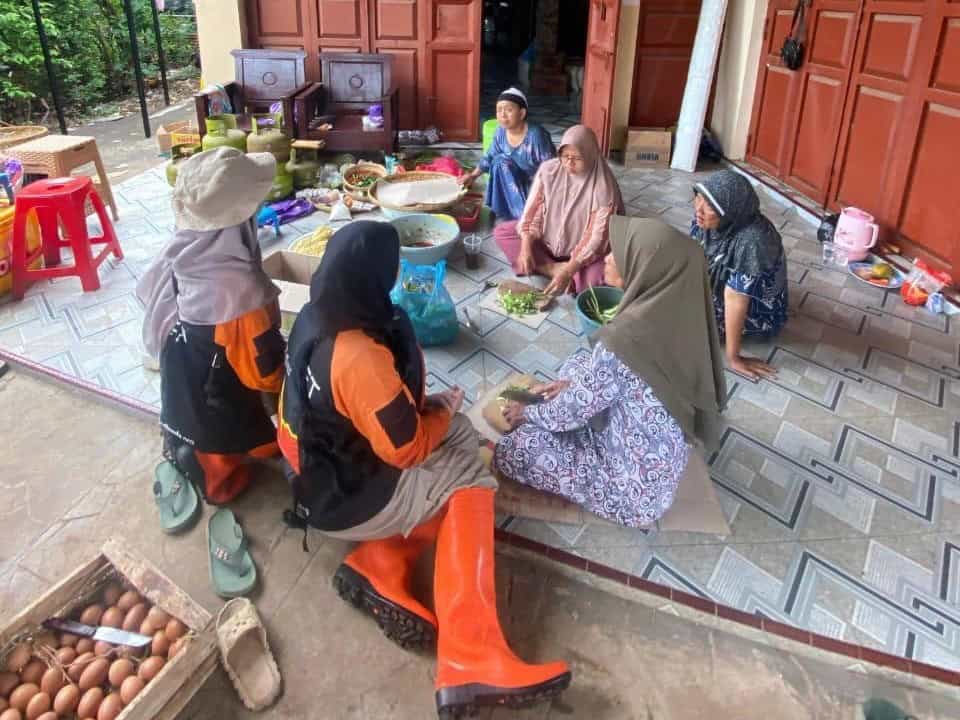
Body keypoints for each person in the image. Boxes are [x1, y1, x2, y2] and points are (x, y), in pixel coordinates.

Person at [277, 221, 571, 717]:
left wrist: (437, 413)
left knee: (457, 435)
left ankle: (378, 565)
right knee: (469, 480)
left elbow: (359, 414)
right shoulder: (358, 354)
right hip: (342, 495)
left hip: (317, 467)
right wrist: (436, 413)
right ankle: (470, 658)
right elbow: (407, 450)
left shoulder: (316, 314)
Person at [494, 217, 727, 528]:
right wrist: (575, 387)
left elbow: (570, 412)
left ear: (643, 268)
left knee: (516, 449)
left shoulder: (625, 341)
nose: (605, 258)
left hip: (630, 491)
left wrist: (528, 412)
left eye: (617, 253)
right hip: (649, 461)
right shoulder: (683, 317)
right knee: (580, 364)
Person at [137, 147, 284, 504]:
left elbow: (152, 319)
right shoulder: (240, 294)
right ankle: (219, 470)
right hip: (214, 413)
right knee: (267, 447)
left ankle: (189, 445)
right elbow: (265, 376)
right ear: (241, 224)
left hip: (180, 390)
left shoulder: (178, 254)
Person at [493, 125, 625, 296]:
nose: (569, 163)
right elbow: (534, 211)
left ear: (591, 155)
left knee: (599, 277)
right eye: (565, 156)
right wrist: (526, 247)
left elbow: (597, 240)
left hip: (583, 256)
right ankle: (550, 268)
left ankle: (561, 273)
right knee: (503, 232)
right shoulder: (549, 170)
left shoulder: (603, 187)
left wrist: (570, 269)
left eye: (577, 158)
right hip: (548, 241)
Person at [691, 169, 788, 380]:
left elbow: (735, 300)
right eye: (698, 197)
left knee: (681, 323)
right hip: (721, 290)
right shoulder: (713, 219)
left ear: (730, 208)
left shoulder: (752, 242)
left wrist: (733, 357)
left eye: (709, 204)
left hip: (753, 312)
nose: (699, 208)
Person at [460, 87, 555, 221]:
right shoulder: (500, 132)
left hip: (535, 188)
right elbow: (489, 157)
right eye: (499, 110)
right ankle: (504, 214)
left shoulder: (536, 136)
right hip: (511, 186)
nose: (502, 115)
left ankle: (524, 218)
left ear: (522, 113)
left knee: (502, 163)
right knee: (499, 162)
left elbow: (552, 169)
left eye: (509, 110)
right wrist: (472, 176)